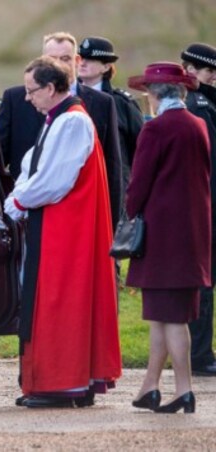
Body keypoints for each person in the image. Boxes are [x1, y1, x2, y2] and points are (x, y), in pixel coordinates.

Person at [4, 56, 122, 409]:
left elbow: (55, 179)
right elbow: (32, 167)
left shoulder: (72, 122)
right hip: (56, 225)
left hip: (67, 229)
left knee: (59, 301)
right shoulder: (57, 119)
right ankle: (50, 381)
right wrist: (18, 197)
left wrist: (17, 204)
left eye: (32, 91)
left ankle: (63, 383)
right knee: (49, 300)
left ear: (52, 88)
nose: (28, 98)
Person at [125, 62, 211, 413]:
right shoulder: (198, 124)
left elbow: (139, 183)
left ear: (152, 95)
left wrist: (129, 212)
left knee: (172, 317)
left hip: (162, 235)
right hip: (193, 233)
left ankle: (184, 389)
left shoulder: (157, 129)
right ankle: (151, 386)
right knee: (162, 314)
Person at [0, 32, 124, 233]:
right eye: (51, 60)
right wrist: (5, 207)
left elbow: (112, 168)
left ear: (77, 60)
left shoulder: (100, 104)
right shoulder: (15, 98)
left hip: (77, 216)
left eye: (64, 59)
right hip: (24, 216)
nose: (58, 65)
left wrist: (112, 226)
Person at [180, 43, 216, 377]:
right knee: (203, 284)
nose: (213, 78)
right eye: (187, 66)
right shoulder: (197, 105)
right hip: (205, 206)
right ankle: (201, 354)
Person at [78, 36, 144, 167]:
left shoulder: (122, 103)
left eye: (90, 59)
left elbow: (140, 148)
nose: (82, 63)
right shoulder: (67, 97)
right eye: (80, 58)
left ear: (106, 67)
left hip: (113, 179)